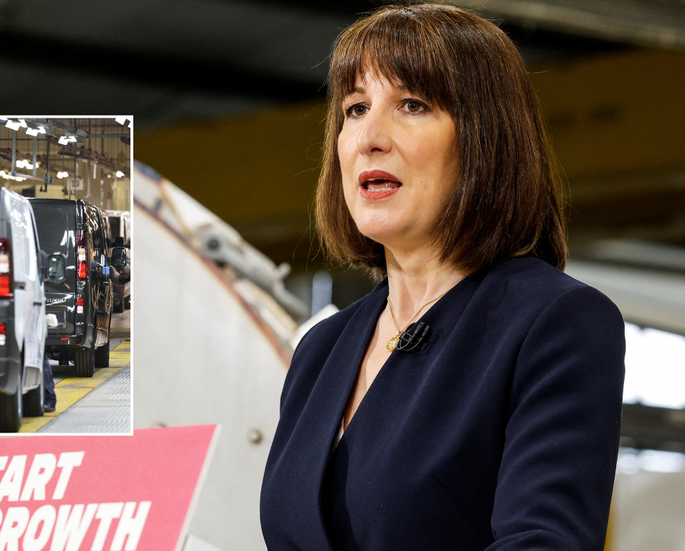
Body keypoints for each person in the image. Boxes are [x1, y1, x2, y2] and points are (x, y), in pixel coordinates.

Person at [260, 4, 625, 550]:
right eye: (355, 109)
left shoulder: (555, 322)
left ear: (485, 139)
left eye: (411, 105)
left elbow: (542, 540)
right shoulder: (320, 350)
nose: (368, 138)